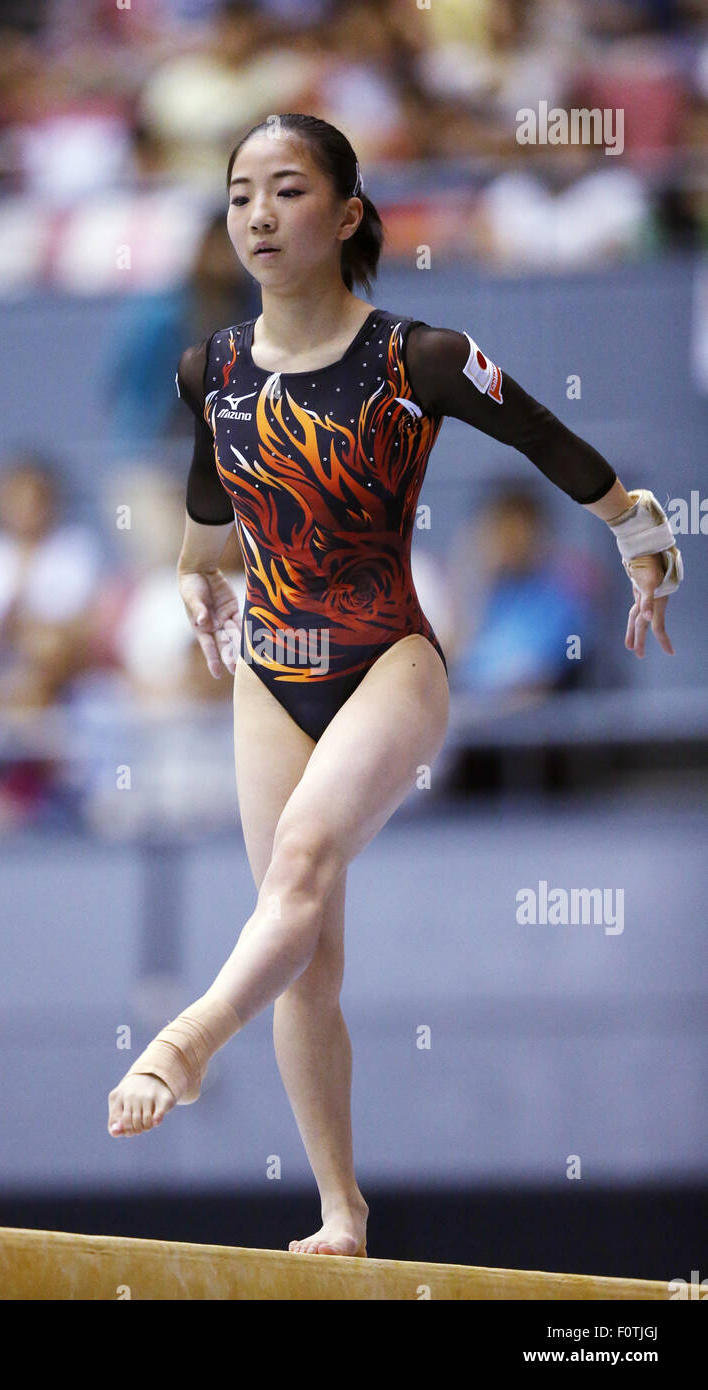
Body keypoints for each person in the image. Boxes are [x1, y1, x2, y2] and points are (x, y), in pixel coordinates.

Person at [107, 113, 682, 1258]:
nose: (260, 215)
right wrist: (194, 577)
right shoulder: (206, 365)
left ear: (348, 213)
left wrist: (639, 526)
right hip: (268, 672)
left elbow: (543, 436)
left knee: (303, 866)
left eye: (286, 190)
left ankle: (182, 1039)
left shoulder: (413, 357)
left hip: (388, 661)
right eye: (239, 196)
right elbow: (213, 502)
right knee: (304, 955)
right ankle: (340, 1211)